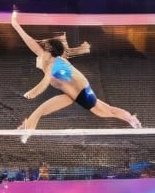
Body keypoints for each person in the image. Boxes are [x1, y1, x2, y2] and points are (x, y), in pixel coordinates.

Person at [11, 8, 141, 139]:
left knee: (106, 111)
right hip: (71, 94)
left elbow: (45, 82)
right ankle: (27, 130)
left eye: (44, 48)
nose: (40, 51)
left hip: (82, 94)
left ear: (50, 52)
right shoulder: (45, 57)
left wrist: (32, 93)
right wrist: (15, 24)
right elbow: (30, 41)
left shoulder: (54, 64)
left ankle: (131, 119)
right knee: (40, 111)